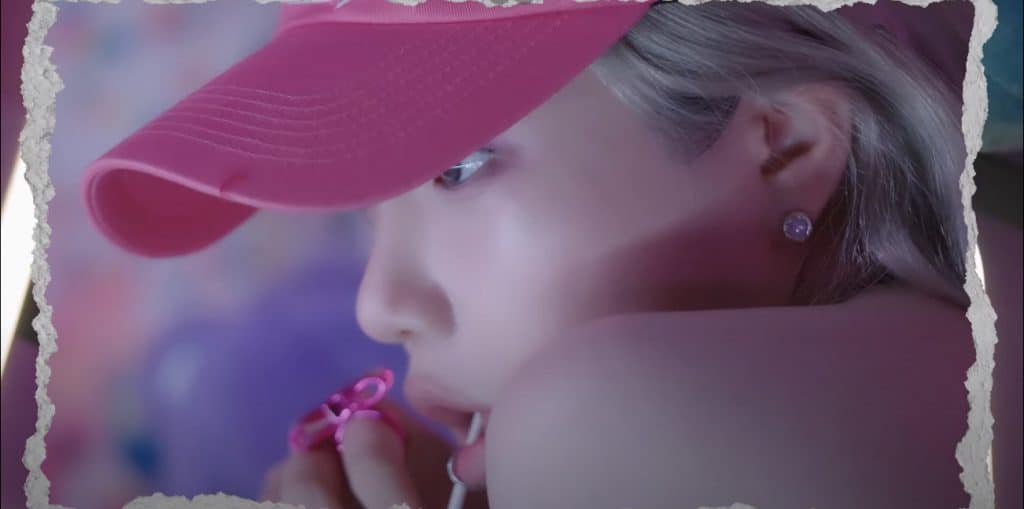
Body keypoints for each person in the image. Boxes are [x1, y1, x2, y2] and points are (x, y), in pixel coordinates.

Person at [81, 0, 987, 507]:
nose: (379, 304)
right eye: (367, 209)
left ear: (786, 143)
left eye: (457, 168)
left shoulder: (589, 414)